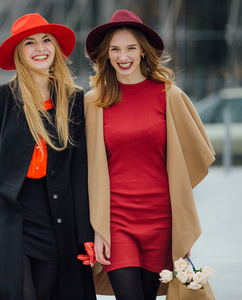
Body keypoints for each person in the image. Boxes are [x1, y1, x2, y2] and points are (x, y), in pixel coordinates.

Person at [0, 13, 96, 300]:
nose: (39, 48)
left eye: (46, 40)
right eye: (29, 43)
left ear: (55, 48)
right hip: (5, 222)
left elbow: (79, 175)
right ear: (19, 53)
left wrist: (86, 234)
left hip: (56, 221)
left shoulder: (75, 101)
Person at [83, 9, 215, 300]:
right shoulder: (93, 102)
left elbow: (194, 159)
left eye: (131, 48)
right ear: (105, 55)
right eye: (115, 49)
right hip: (116, 221)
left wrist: (181, 225)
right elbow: (85, 169)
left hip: (161, 220)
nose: (123, 56)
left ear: (143, 52)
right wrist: (98, 229)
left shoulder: (170, 96)